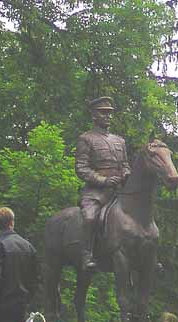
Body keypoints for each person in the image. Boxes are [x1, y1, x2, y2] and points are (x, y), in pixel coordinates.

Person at [75, 96, 131, 270]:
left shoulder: (119, 141)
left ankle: (147, 255)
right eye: (103, 113)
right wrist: (103, 180)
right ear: (94, 115)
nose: (108, 116)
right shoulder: (86, 139)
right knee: (90, 217)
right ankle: (87, 255)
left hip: (119, 191)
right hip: (95, 193)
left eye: (110, 113)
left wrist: (126, 175)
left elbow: (125, 165)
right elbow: (81, 168)